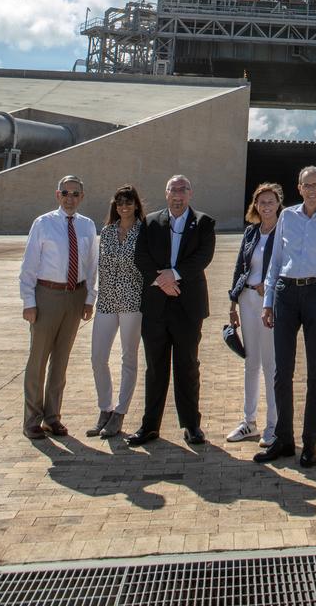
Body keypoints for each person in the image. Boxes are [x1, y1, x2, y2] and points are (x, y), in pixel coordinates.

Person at [255, 166, 316, 469]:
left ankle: (310, 442)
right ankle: (284, 440)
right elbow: (276, 262)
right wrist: (268, 302)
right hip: (286, 292)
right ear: (299, 188)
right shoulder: (288, 217)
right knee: (281, 372)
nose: (311, 189)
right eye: (305, 185)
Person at [127, 175, 216, 446]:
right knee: (155, 367)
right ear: (166, 194)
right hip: (156, 305)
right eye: (173, 190)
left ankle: (191, 425)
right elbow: (140, 256)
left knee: (187, 366)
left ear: (190, 194)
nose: (178, 195)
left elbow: (203, 257)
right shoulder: (150, 222)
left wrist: (174, 275)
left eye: (183, 190)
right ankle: (150, 426)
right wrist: (162, 282)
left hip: (188, 307)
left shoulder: (203, 223)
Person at [19, 176, 98, 439]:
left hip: (74, 297)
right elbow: (29, 266)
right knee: (38, 360)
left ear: (82, 197)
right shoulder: (43, 224)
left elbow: (90, 267)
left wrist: (88, 299)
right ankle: (32, 419)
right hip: (47, 295)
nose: (70, 198)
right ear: (57, 195)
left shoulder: (87, 226)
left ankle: (52, 417)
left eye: (75, 194)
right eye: (65, 193)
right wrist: (29, 302)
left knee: (61, 361)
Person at [226, 182, 283, 446]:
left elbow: (289, 265)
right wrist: (232, 302)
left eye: (271, 201)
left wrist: (269, 285)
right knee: (251, 362)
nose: (266, 206)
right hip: (247, 299)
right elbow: (240, 267)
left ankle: (273, 424)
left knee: (271, 364)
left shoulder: (284, 232)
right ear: (256, 205)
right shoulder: (251, 232)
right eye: (262, 202)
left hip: (268, 302)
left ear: (278, 204)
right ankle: (249, 422)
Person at [88, 184, 145, 439]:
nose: (124, 207)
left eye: (129, 202)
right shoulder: (108, 231)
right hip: (107, 301)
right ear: (115, 205)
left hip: (132, 301)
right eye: (120, 202)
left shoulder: (144, 231)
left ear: (136, 205)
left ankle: (120, 412)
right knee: (98, 357)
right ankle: (105, 408)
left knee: (128, 358)